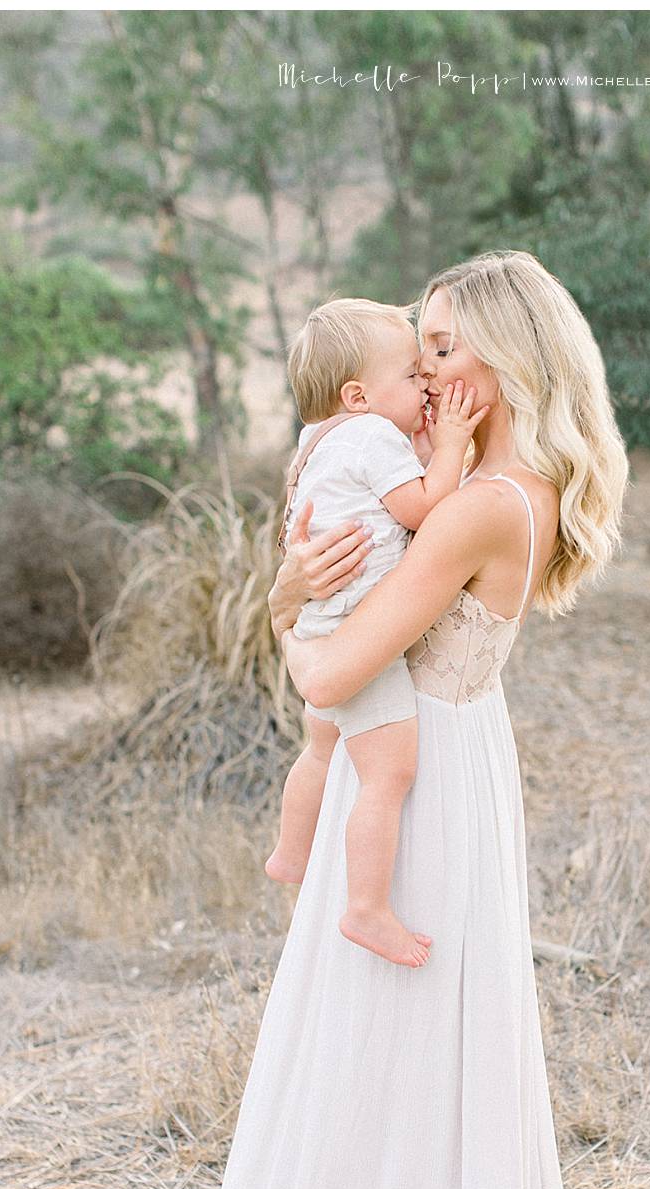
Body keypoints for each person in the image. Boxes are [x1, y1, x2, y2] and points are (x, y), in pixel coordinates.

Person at [172, 250, 627, 1189]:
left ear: (505, 362)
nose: (421, 374)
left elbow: (328, 673)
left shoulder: (477, 508)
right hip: (445, 760)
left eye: (440, 348)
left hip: (417, 784)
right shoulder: (510, 489)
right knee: (406, 1034)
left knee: (379, 1035)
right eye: (418, 348)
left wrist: (286, 605)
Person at [265, 298, 488, 969]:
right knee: (388, 775)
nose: (427, 384)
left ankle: (290, 852)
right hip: (361, 629)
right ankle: (366, 906)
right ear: (358, 395)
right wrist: (447, 447)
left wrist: (422, 442)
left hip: (321, 616)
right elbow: (421, 505)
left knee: (321, 747)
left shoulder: (321, 441)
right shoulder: (373, 437)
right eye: (412, 376)